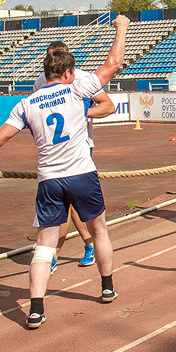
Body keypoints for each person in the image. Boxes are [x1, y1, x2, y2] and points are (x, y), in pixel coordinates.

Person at [0, 16, 131, 329]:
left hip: (49, 180)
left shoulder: (26, 104)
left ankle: (36, 309)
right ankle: (107, 286)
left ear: (45, 73)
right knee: (100, 231)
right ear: (68, 73)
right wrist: (121, 27)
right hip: (82, 174)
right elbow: (114, 61)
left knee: (44, 245)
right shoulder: (78, 90)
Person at [33, 41, 116, 270]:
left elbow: (108, 106)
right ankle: (76, 247)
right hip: (51, 152)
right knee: (63, 205)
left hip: (80, 148)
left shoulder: (81, 79)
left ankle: (58, 254)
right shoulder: (40, 82)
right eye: (51, 57)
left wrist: (80, 113)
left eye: (59, 56)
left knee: (73, 204)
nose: (54, 62)